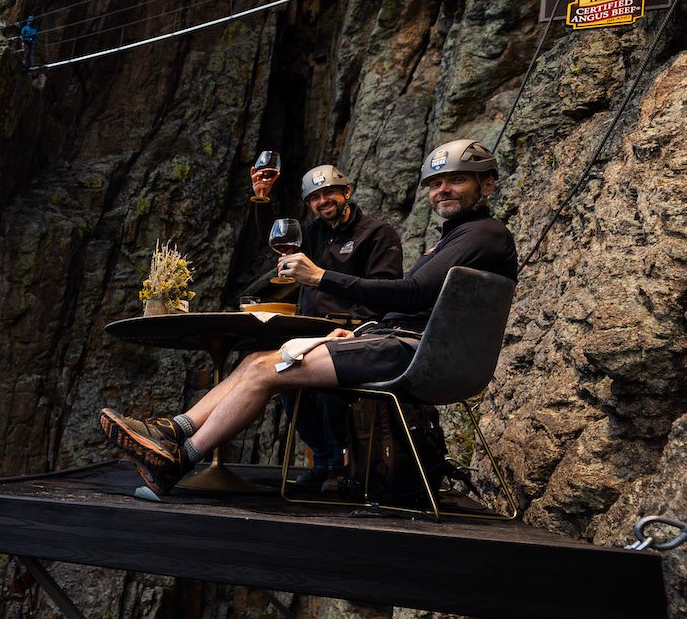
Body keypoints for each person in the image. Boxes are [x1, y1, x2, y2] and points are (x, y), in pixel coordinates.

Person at [101, 139, 517, 497]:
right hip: (399, 341)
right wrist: (363, 330)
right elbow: (413, 301)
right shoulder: (463, 236)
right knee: (258, 360)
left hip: (414, 353)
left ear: (488, 185)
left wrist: (322, 280)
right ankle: (174, 432)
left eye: (456, 180)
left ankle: (177, 461)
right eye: (436, 183)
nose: (443, 189)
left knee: (268, 369)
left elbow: (411, 294)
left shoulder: (482, 233)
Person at [255, 163, 403, 486]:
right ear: (309, 204)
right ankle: (324, 460)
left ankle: (339, 464)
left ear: (346, 193)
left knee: (323, 388)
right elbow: (277, 240)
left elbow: (386, 292)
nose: (323, 201)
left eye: (329, 193)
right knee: (285, 380)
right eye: (315, 197)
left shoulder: (378, 234)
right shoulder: (311, 234)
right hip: (311, 334)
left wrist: (358, 326)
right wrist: (263, 201)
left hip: (358, 335)